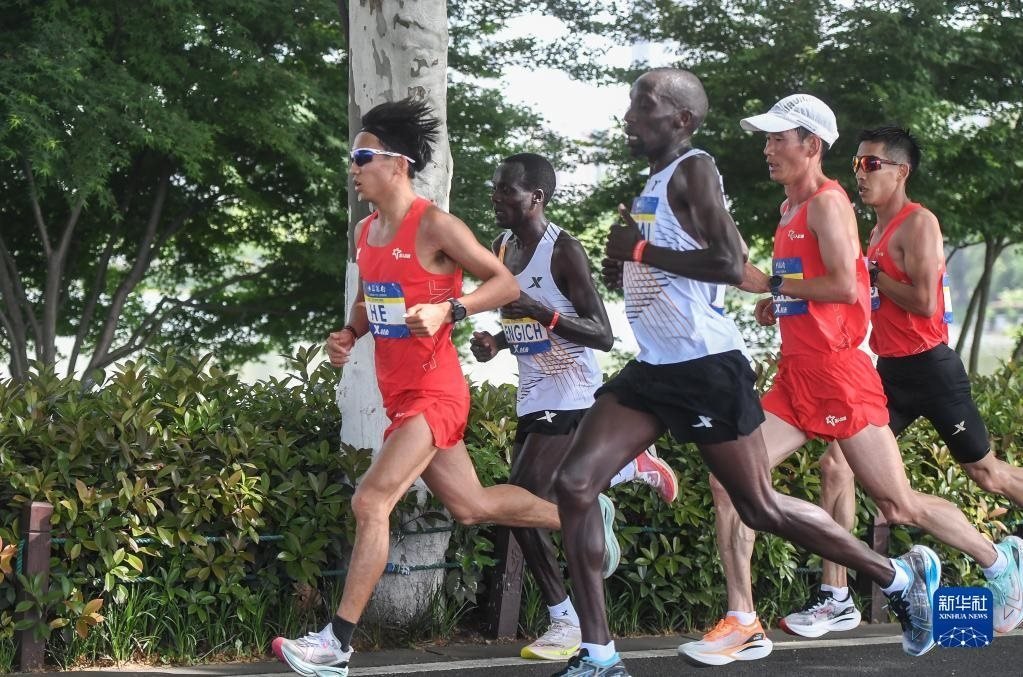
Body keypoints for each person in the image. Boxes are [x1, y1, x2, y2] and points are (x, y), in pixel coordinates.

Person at [550, 71, 941, 677]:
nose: (628, 116)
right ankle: (601, 654)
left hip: (717, 367)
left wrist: (641, 253)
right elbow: (712, 268)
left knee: (768, 506)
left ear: (680, 119)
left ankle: (896, 576)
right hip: (659, 365)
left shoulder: (699, 169)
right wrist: (630, 267)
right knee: (575, 483)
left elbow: (732, 262)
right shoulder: (672, 185)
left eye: (642, 105)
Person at [273, 99, 614, 677]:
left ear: (397, 163)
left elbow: (504, 284)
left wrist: (450, 309)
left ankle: (336, 645)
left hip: (437, 394)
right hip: (399, 395)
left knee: (370, 501)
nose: (353, 167)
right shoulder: (365, 231)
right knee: (472, 506)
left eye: (362, 156)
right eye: (353, 157)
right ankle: (584, 514)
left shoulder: (435, 225)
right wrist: (349, 333)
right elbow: (369, 299)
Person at [680, 95, 1023, 666]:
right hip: (797, 376)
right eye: (766, 139)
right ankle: (744, 619)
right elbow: (805, 285)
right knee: (730, 481)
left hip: (843, 376)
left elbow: (844, 286)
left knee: (899, 504)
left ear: (811, 145)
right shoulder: (789, 209)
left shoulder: (828, 204)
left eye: (778, 138)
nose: (767, 149)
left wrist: (775, 286)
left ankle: (995, 561)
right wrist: (774, 298)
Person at [777, 125, 1023, 638]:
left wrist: (871, 275)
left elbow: (926, 302)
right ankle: (836, 595)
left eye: (872, 164)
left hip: (931, 369)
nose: (861, 174)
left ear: (901, 171)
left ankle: (1002, 564)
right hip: (887, 370)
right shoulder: (873, 232)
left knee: (986, 474)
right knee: (835, 466)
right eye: (857, 164)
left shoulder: (919, 223)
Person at [470, 153, 679, 661]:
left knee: (516, 502)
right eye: (495, 188)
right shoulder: (502, 247)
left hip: (571, 394)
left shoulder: (563, 250)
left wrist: (540, 311)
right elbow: (520, 321)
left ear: (536, 198)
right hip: (532, 394)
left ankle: (565, 622)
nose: (495, 198)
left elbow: (602, 334)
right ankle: (628, 467)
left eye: (506, 191)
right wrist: (498, 341)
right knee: (518, 511)